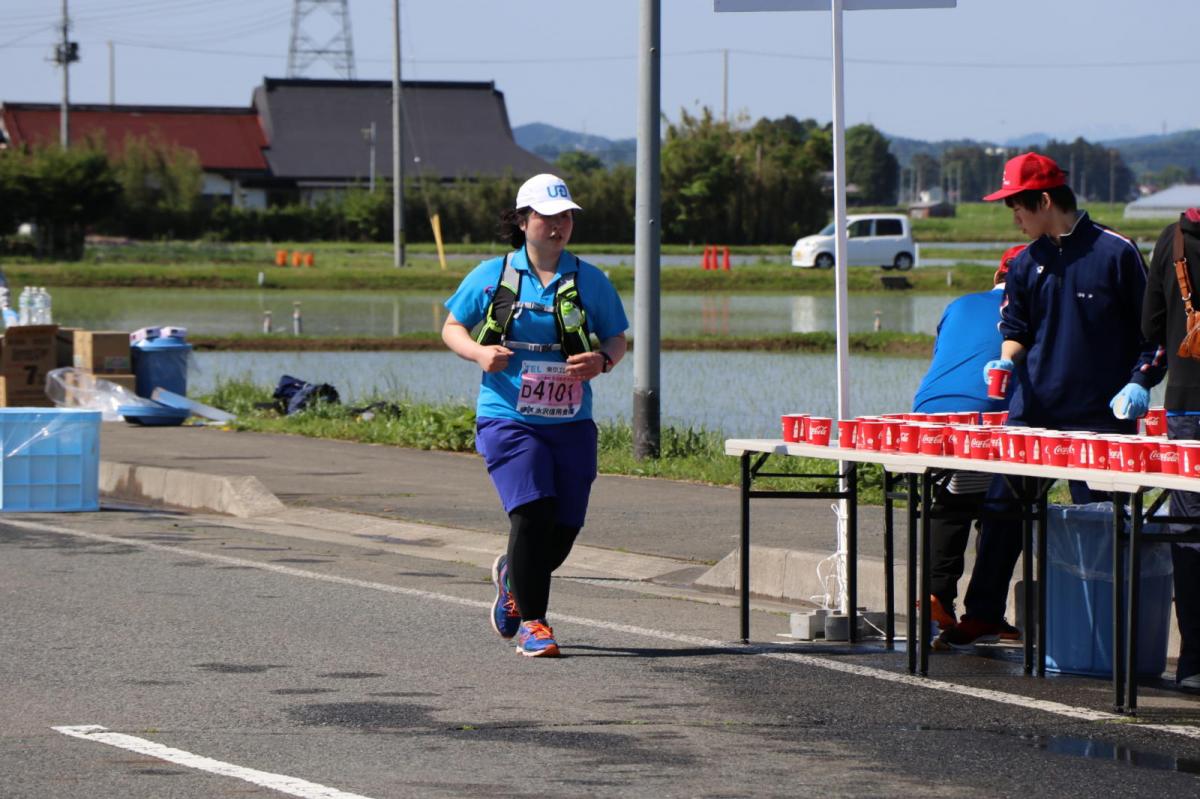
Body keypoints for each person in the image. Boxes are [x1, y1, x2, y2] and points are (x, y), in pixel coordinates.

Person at [939, 152, 1166, 649]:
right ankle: (982, 615)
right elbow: (1016, 328)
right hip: (1034, 410)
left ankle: (1113, 629)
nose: (1013, 217)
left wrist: (1140, 382)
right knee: (1001, 512)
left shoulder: (1117, 253)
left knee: (1106, 523)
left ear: (1044, 200)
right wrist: (1005, 359)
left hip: (1101, 419)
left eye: (1017, 207)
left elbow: (1156, 334)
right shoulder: (1024, 263)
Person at [442, 174, 629, 658]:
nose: (558, 225)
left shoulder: (590, 279)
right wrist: (479, 355)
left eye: (565, 216)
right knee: (531, 513)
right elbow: (453, 327)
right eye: (547, 216)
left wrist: (602, 362)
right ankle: (534, 624)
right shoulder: (492, 274)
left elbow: (616, 337)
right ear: (523, 221)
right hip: (508, 415)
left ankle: (512, 577)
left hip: (571, 420)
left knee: (563, 529)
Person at [912, 245, 1021, 635]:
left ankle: (937, 597)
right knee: (1008, 508)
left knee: (952, 497)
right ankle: (983, 612)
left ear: (997, 276)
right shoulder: (1035, 310)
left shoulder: (959, 304)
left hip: (929, 411)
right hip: (987, 417)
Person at [1140, 208, 1200, 689]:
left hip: (1188, 403)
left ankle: (1195, 659)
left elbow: (1151, 324)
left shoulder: (1175, 238)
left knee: (1191, 529)